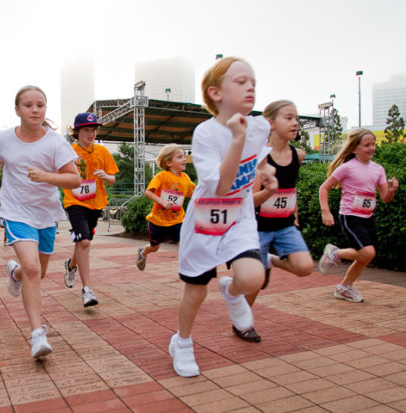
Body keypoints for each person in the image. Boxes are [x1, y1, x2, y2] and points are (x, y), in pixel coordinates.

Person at [169, 57, 277, 377]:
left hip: (239, 216)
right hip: (204, 220)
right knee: (197, 291)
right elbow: (221, 184)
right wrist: (237, 140)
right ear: (216, 93)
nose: (251, 87)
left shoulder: (259, 126)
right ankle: (182, 342)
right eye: (241, 81)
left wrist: (266, 170)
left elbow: (259, 159)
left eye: (253, 81)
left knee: (253, 277)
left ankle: (231, 291)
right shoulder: (205, 134)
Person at [0, 85, 81, 359]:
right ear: (17, 110)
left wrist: (47, 177)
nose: (34, 110)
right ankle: (38, 334)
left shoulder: (55, 142)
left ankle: (14, 275)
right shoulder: (4, 140)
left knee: (37, 272)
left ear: (45, 109)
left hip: (46, 214)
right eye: (28, 105)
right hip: (15, 211)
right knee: (33, 268)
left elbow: (75, 179)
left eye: (40, 105)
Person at [235, 100, 314, 343]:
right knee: (254, 282)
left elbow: (291, 191)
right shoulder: (260, 161)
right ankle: (242, 323)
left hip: (286, 225)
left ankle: (271, 260)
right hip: (259, 228)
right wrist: (270, 191)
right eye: (288, 118)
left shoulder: (298, 155)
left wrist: (296, 216)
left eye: (296, 118)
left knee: (305, 267)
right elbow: (249, 201)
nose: (295, 123)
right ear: (270, 123)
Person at [318, 128, 399, 302]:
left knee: (365, 256)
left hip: (367, 217)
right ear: (355, 148)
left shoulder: (378, 169)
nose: (372, 148)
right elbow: (324, 188)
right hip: (350, 217)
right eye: (367, 145)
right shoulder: (347, 168)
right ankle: (335, 254)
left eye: (373, 144)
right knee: (367, 253)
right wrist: (326, 210)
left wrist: (391, 190)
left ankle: (344, 287)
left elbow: (385, 198)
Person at [62, 112, 118, 307]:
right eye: (87, 130)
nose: (91, 133)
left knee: (82, 242)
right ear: (77, 132)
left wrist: (105, 176)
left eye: (94, 130)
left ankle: (70, 266)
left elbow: (113, 178)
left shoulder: (102, 152)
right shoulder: (68, 152)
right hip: (75, 203)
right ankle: (87, 290)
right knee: (84, 242)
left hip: (96, 204)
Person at [136, 144, 195, 271]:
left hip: (178, 220)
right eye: (179, 157)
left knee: (183, 243)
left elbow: (196, 193)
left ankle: (189, 268)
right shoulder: (161, 177)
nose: (184, 159)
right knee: (154, 247)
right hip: (158, 221)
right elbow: (148, 192)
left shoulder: (185, 179)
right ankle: (143, 252)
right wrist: (162, 202)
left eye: (184, 156)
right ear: (169, 162)